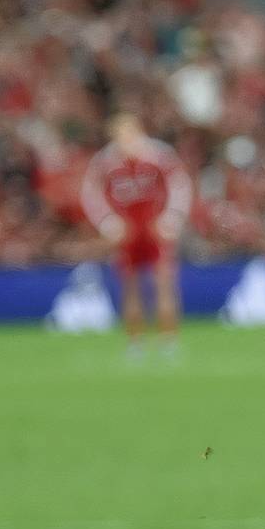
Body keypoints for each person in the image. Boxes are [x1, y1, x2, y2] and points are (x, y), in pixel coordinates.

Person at [80, 114, 191, 356]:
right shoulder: (105, 162)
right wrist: (109, 224)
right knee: (130, 287)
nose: (125, 140)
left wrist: (171, 219)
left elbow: (180, 186)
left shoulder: (159, 156)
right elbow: (91, 195)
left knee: (164, 283)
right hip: (127, 231)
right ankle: (135, 341)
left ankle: (169, 339)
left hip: (154, 228)